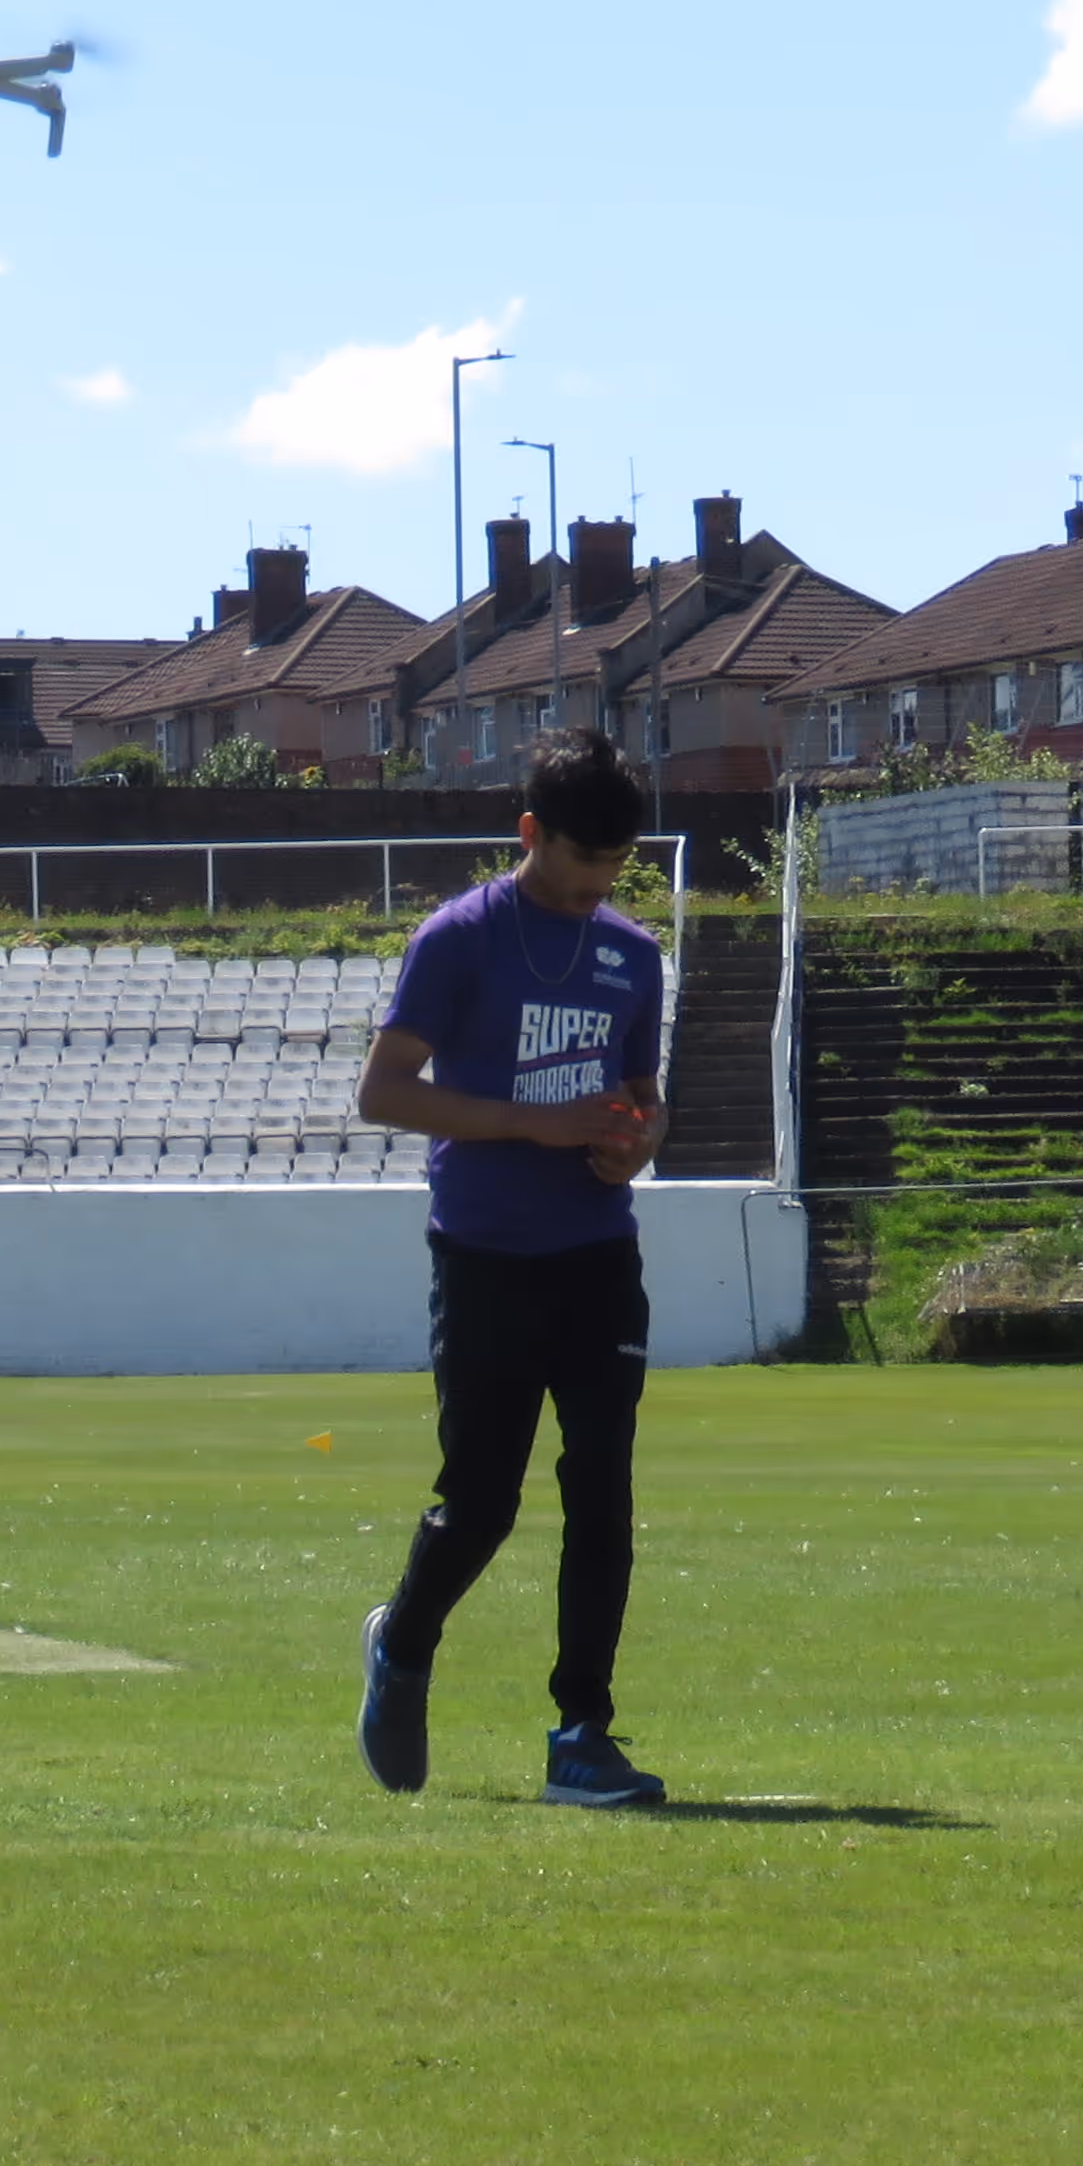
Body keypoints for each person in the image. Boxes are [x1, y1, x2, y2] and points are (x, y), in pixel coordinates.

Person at [352, 728, 675, 1809]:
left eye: (615, 868)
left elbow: (642, 1097)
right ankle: (401, 1641)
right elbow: (385, 1092)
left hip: (598, 1256)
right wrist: (530, 1124)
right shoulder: (459, 940)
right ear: (531, 834)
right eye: (579, 861)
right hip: (486, 1257)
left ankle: (582, 1732)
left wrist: (635, 1139)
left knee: (603, 1492)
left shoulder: (635, 955)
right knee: (481, 1503)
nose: (595, 887)